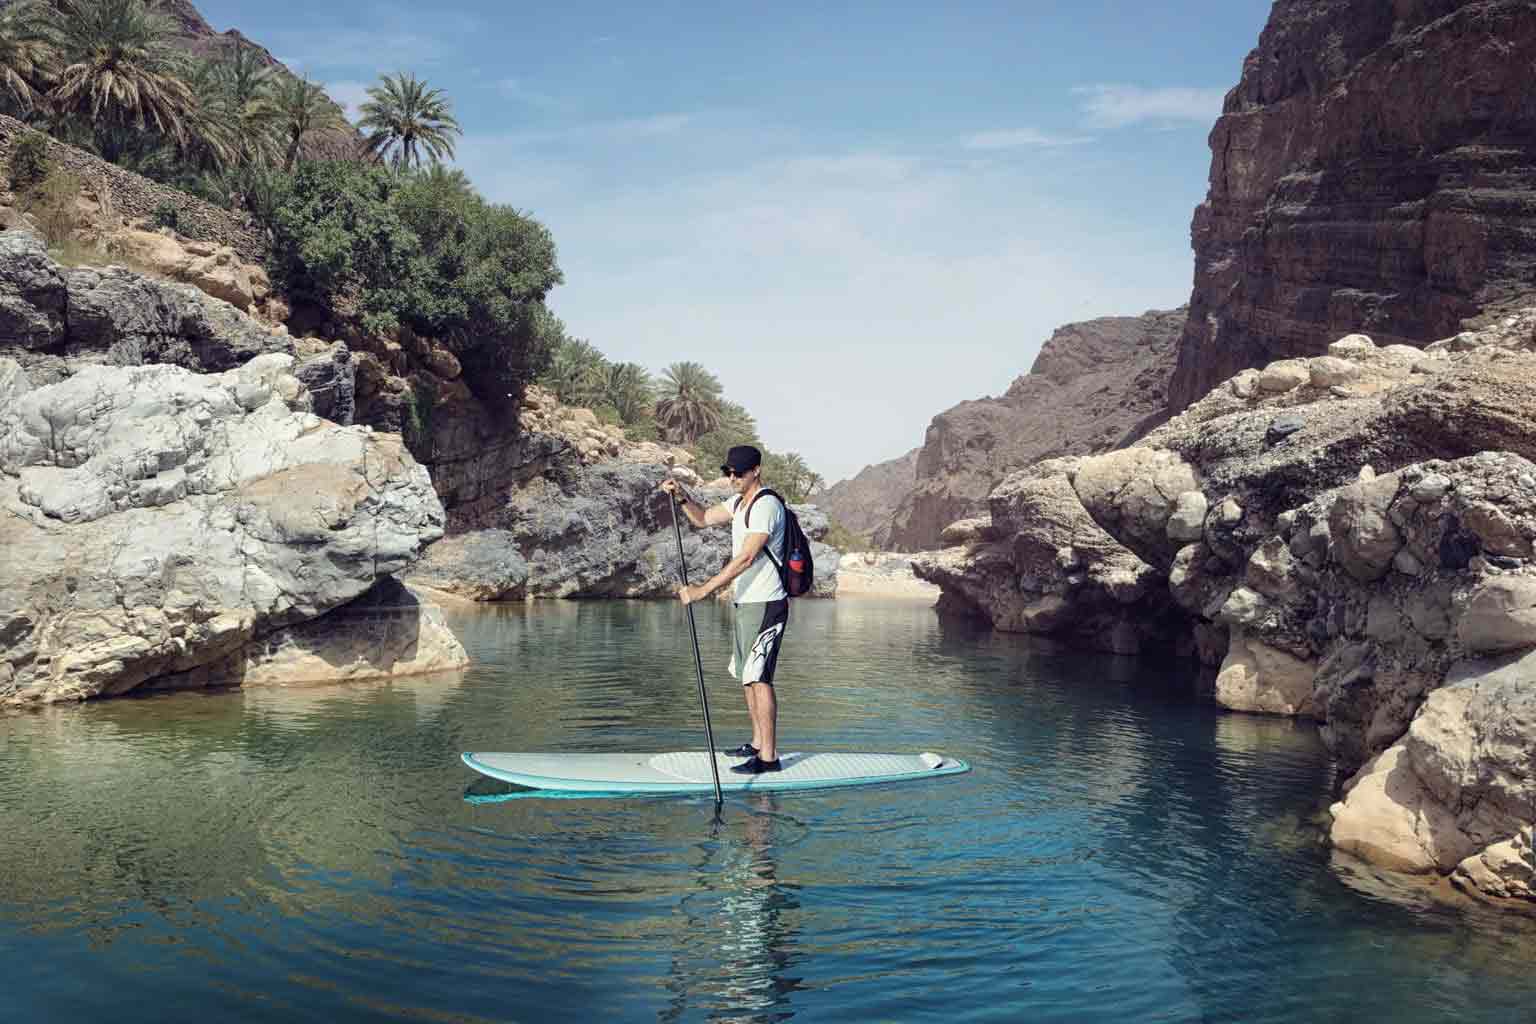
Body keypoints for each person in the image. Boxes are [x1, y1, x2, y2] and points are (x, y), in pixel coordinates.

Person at [659, 445, 788, 774]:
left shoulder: (767, 506)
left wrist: (702, 590)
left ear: (755, 470)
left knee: (760, 678)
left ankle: (769, 758)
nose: (732, 478)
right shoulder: (737, 503)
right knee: (747, 676)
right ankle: (757, 744)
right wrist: (681, 495)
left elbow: (745, 558)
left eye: (739, 473)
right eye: (728, 472)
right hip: (746, 603)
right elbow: (702, 519)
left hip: (767, 602)